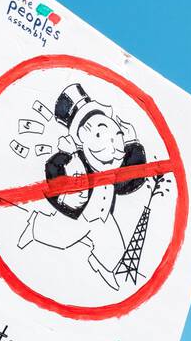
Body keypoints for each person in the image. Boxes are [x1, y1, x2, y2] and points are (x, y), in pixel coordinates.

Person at [17, 82, 147, 290]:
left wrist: (133, 145)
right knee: (60, 238)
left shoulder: (113, 170)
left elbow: (130, 181)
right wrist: (62, 197)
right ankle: (35, 228)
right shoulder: (73, 162)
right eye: (99, 135)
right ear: (81, 138)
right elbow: (54, 176)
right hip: (82, 216)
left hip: (103, 218)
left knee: (115, 246)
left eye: (116, 136)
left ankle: (104, 266)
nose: (112, 146)